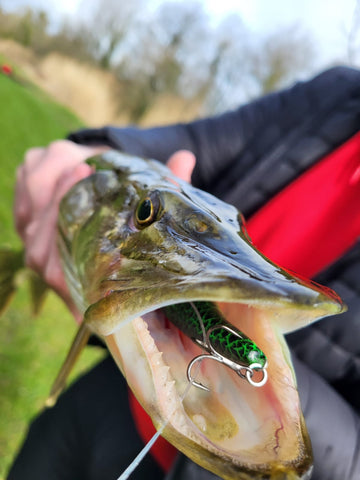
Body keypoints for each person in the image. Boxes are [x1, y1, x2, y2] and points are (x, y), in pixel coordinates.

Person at [8, 66, 360, 480]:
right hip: (109, 397)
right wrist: (91, 154)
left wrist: (238, 390)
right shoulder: (340, 96)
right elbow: (191, 144)